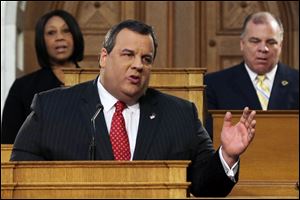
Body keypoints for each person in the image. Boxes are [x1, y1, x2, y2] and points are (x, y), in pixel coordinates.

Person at [10, 19, 256, 197]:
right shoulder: (52, 107)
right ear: (104, 58)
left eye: (146, 59)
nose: (138, 65)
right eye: (128, 54)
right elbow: (19, 177)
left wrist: (227, 156)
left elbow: (207, 188)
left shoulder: (181, 115)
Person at [204, 12, 299, 137]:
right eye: (255, 41)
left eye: (271, 42)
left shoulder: (296, 81)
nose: (263, 49)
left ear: (280, 45)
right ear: (242, 44)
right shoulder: (214, 85)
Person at [1, 10, 84, 144]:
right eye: (51, 33)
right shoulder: (22, 87)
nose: (59, 37)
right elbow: (9, 142)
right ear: (41, 40)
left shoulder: (95, 83)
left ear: (75, 35)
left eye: (66, 30)